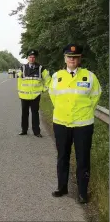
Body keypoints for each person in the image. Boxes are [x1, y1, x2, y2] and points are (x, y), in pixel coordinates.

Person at [49, 44, 102, 204]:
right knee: (62, 157)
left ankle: (82, 192)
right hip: (61, 124)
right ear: (65, 59)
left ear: (79, 59)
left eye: (75, 57)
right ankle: (62, 187)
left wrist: (83, 112)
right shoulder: (57, 77)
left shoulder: (89, 76)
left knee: (83, 159)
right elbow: (53, 96)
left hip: (83, 125)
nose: (72, 59)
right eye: (69, 57)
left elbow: (95, 97)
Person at [17, 49, 51, 137]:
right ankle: (24, 130)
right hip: (24, 95)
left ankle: (36, 132)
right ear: (27, 58)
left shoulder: (41, 68)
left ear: (35, 58)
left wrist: (43, 89)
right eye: (30, 57)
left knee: (35, 114)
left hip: (36, 95)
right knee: (24, 114)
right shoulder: (23, 68)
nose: (32, 59)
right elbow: (19, 81)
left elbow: (48, 80)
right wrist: (20, 91)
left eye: (33, 57)